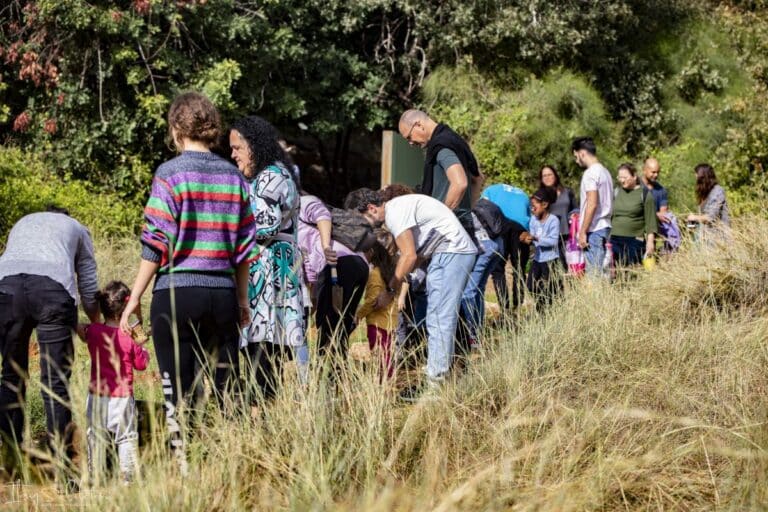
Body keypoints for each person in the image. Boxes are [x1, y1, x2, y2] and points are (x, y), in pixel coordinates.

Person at [119, 92, 257, 473]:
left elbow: (155, 242)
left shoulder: (170, 173)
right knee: (226, 383)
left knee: (177, 388)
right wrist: (243, 301)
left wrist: (133, 299)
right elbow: (245, 247)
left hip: (177, 292)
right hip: (223, 293)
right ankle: (230, 463)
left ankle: (185, 466)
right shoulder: (233, 176)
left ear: (177, 128)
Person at [345, 188, 477, 399]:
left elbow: (409, 256)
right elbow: (415, 255)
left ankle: (437, 387)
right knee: (434, 318)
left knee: (441, 318)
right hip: (443, 254)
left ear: (371, 208)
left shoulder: (396, 212)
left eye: (362, 219)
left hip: (453, 251)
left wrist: (390, 289)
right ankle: (437, 378)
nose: (365, 226)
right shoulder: (399, 208)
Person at [0, 206, 99, 474]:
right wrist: (97, 324)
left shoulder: (23, 221)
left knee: (11, 377)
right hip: (52, 292)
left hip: (6, 290)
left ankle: (9, 464)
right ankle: (65, 472)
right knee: (55, 382)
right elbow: (88, 283)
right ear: (67, 216)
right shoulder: (77, 227)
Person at [230, 116, 303, 405]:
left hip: (269, 275)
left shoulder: (271, 176)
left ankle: (263, 416)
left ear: (254, 146)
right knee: (262, 353)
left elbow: (265, 227)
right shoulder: (271, 174)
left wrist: (225, 233)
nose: (233, 154)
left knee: (262, 353)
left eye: (237, 148)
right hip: (271, 271)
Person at [77, 281, 149, 485]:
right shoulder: (129, 337)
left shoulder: (94, 331)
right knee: (125, 437)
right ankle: (128, 477)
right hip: (122, 396)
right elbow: (141, 365)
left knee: (95, 435)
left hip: (96, 394)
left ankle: (95, 474)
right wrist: (143, 348)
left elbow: (81, 330)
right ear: (127, 308)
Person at [298, 194, 368, 367]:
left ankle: (328, 377)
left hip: (339, 263)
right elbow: (309, 270)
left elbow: (322, 215)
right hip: (348, 266)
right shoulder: (287, 222)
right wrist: (311, 305)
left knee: (330, 324)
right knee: (339, 325)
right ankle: (335, 373)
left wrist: (325, 246)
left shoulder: (302, 203)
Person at [398, 110, 484, 239]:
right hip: (463, 225)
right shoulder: (454, 140)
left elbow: (460, 183)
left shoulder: (441, 147)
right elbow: (477, 179)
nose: (410, 143)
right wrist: (466, 213)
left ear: (418, 125)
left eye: (409, 137)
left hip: (449, 230)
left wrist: (441, 218)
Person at [481, 184, 530, 315]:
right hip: (521, 228)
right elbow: (528, 215)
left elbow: (482, 210)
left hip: (502, 225)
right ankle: (517, 306)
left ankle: (505, 307)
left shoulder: (489, 190)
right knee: (519, 268)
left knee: (498, 269)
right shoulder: (523, 192)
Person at [355, 233, 398, 381]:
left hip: (377, 323)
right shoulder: (389, 272)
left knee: (380, 354)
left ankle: (384, 381)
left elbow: (372, 300)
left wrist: (359, 314)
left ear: (371, 253)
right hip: (390, 320)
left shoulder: (374, 274)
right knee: (387, 352)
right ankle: (388, 379)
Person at [572, 137, 614, 276]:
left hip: (594, 229)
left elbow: (593, 203)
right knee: (601, 273)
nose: (576, 160)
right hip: (604, 226)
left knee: (594, 276)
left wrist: (583, 231)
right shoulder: (605, 172)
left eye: (576, 156)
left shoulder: (590, 173)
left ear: (582, 153)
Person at [520, 188, 561, 309]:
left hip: (550, 259)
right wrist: (526, 239)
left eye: (534, 206)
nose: (532, 209)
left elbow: (553, 241)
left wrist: (535, 238)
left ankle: (548, 310)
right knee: (530, 286)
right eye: (531, 206)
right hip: (538, 259)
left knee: (550, 288)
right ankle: (541, 306)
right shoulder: (533, 220)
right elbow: (532, 238)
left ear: (545, 204)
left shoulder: (553, 220)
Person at [611, 163, 657, 267]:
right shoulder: (616, 193)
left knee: (632, 272)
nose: (622, 180)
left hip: (634, 241)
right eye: (620, 177)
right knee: (616, 272)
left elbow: (651, 222)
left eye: (625, 177)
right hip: (615, 240)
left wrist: (650, 243)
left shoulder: (644, 194)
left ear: (634, 176)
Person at [539, 165, 578, 269]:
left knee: (570, 265)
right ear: (541, 179)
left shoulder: (567, 191)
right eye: (544, 176)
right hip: (550, 237)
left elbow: (575, 208)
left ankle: (572, 285)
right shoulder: (540, 195)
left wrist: (574, 213)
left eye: (550, 174)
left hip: (568, 235)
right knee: (554, 268)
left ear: (555, 176)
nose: (547, 177)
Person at [686, 164, 730, 241]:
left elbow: (711, 217)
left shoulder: (718, 191)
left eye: (697, 176)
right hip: (705, 240)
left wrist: (694, 217)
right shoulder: (705, 194)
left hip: (719, 239)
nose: (695, 179)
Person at [640, 158, 670, 222]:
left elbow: (663, 213)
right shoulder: (635, 187)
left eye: (658, 172)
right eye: (653, 172)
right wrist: (655, 215)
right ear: (644, 170)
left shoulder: (661, 190)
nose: (656, 175)